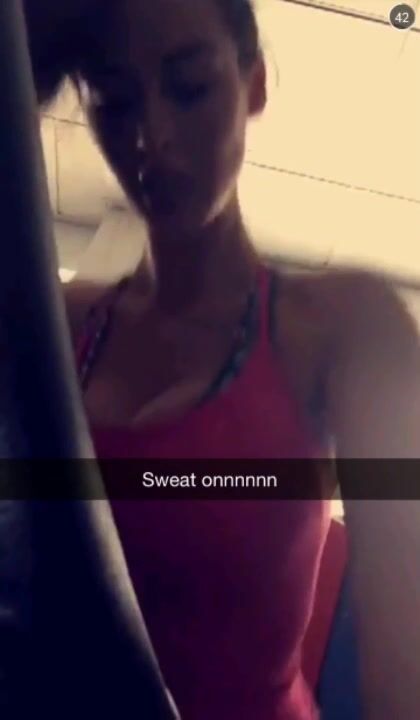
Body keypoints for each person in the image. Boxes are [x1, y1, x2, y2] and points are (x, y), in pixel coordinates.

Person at [27, 0, 420, 718]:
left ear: (254, 85)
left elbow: (405, 679)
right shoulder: (61, 324)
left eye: (189, 87)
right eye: (115, 100)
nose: (150, 137)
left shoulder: (348, 329)